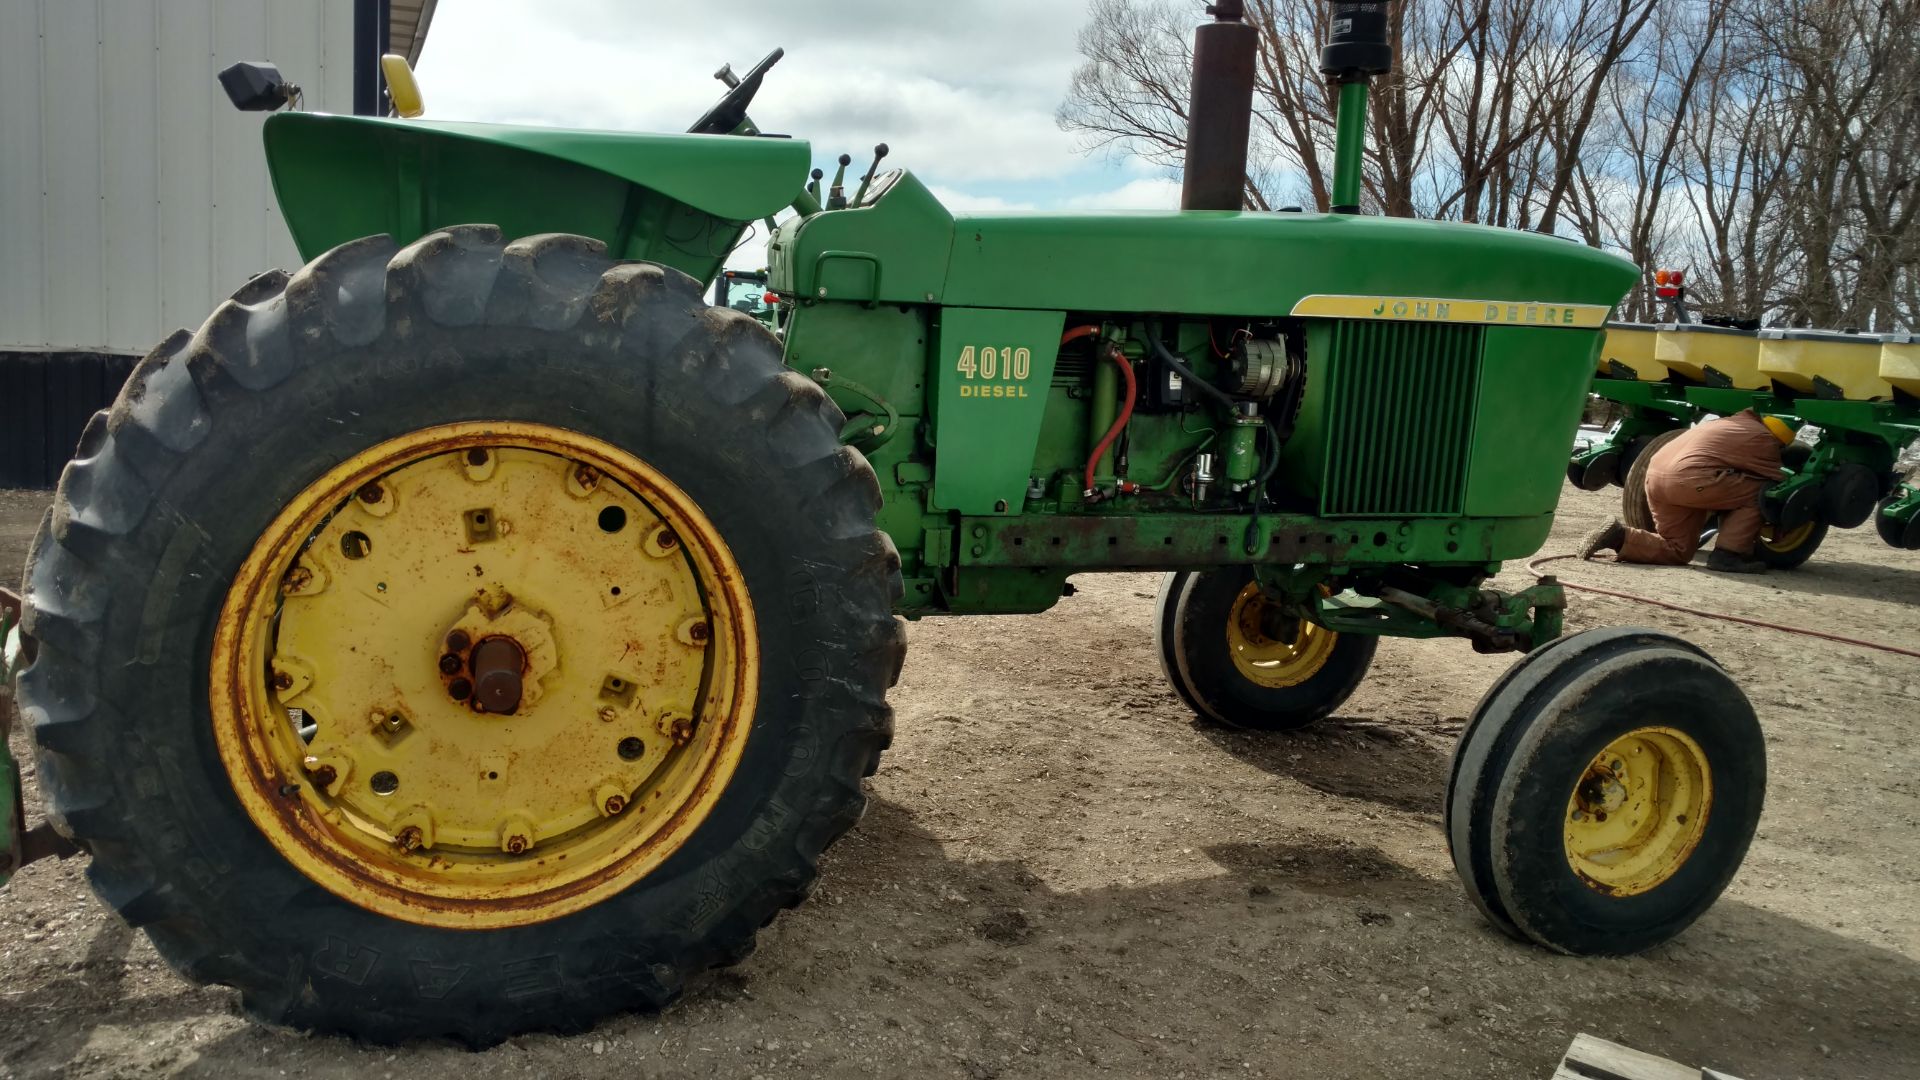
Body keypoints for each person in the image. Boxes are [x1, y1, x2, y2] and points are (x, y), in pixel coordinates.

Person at [1580, 410, 1796, 574]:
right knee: (1759, 492)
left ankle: (1618, 536)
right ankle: (1728, 555)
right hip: (1690, 482)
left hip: (1654, 478)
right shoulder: (1764, 440)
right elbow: (1779, 482)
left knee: (1678, 550)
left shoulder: (1723, 424)